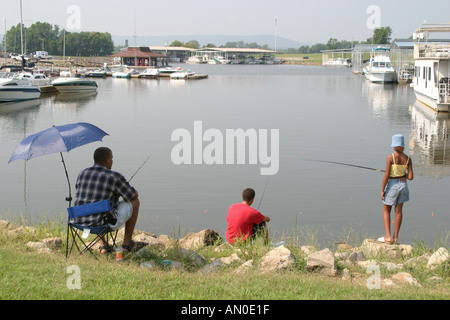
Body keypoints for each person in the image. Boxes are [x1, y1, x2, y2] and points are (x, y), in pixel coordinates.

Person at [74, 147, 140, 254]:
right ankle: (126, 245)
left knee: (95, 205)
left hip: (79, 220)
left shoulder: (82, 173)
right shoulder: (114, 176)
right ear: (106, 161)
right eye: (112, 158)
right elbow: (133, 196)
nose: (112, 161)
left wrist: (112, 195)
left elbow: (86, 194)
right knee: (136, 203)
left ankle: (103, 246)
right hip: (101, 222)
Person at [379, 134, 413, 244]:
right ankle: (396, 237)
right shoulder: (408, 159)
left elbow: (387, 175)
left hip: (392, 185)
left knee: (386, 209)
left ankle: (388, 236)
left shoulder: (390, 157)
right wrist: (403, 174)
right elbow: (411, 177)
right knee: (398, 211)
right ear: (403, 146)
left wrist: (382, 190)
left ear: (394, 146)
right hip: (403, 185)